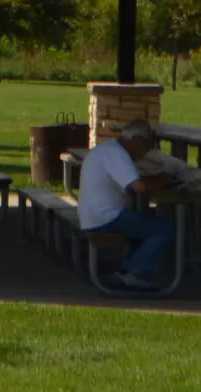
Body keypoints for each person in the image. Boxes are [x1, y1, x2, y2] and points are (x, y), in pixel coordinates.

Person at [76, 117, 178, 289]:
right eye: (145, 148)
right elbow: (139, 187)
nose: (144, 154)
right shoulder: (117, 155)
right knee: (164, 229)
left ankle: (128, 269)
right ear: (136, 142)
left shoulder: (109, 149)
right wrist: (162, 179)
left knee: (145, 221)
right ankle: (134, 272)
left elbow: (133, 181)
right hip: (105, 218)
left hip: (94, 214)